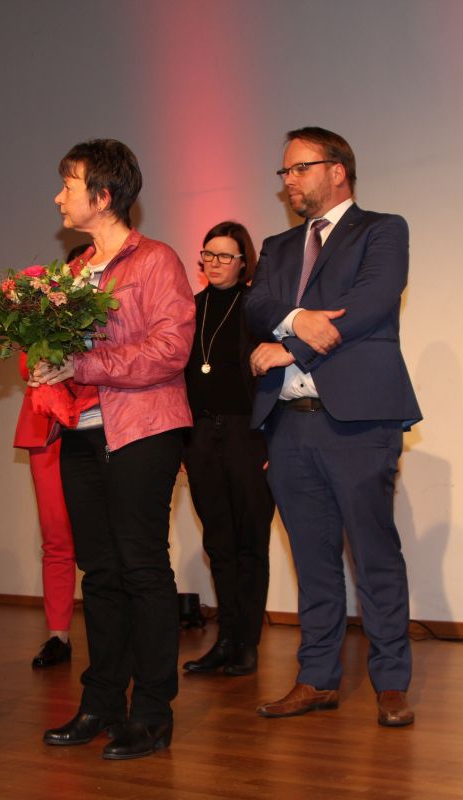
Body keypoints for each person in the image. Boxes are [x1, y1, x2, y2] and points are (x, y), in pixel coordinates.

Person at [245, 127, 422, 727]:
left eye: (299, 168)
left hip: (359, 422)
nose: (288, 181)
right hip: (288, 424)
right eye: (284, 172)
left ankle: (390, 683)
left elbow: (371, 303)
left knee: (374, 555)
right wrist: (297, 321)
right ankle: (317, 678)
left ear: (337, 170)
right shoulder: (277, 246)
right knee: (313, 560)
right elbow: (257, 306)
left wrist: (292, 347)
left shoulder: (382, 229)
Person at [32, 139, 194, 760]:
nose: (58, 197)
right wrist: (47, 362)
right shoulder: (73, 271)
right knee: (99, 572)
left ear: (102, 195)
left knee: (142, 569)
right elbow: (72, 354)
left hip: (144, 431)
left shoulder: (156, 261)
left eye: (68, 185)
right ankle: (101, 702)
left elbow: (169, 350)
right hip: (82, 432)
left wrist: (84, 364)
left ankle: (152, 712)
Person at [181, 221, 275, 678]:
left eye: (225, 256)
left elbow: (275, 380)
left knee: (251, 542)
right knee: (218, 542)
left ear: (243, 263)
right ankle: (225, 640)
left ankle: (247, 644)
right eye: (208, 254)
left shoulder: (258, 308)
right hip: (200, 436)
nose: (214, 263)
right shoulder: (188, 310)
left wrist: (274, 440)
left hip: (248, 435)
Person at [13, 242, 91, 670]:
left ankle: (116, 629)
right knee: (57, 537)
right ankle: (58, 635)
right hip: (48, 429)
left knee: (105, 538)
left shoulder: (111, 312)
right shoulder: (43, 312)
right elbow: (27, 367)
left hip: (98, 426)